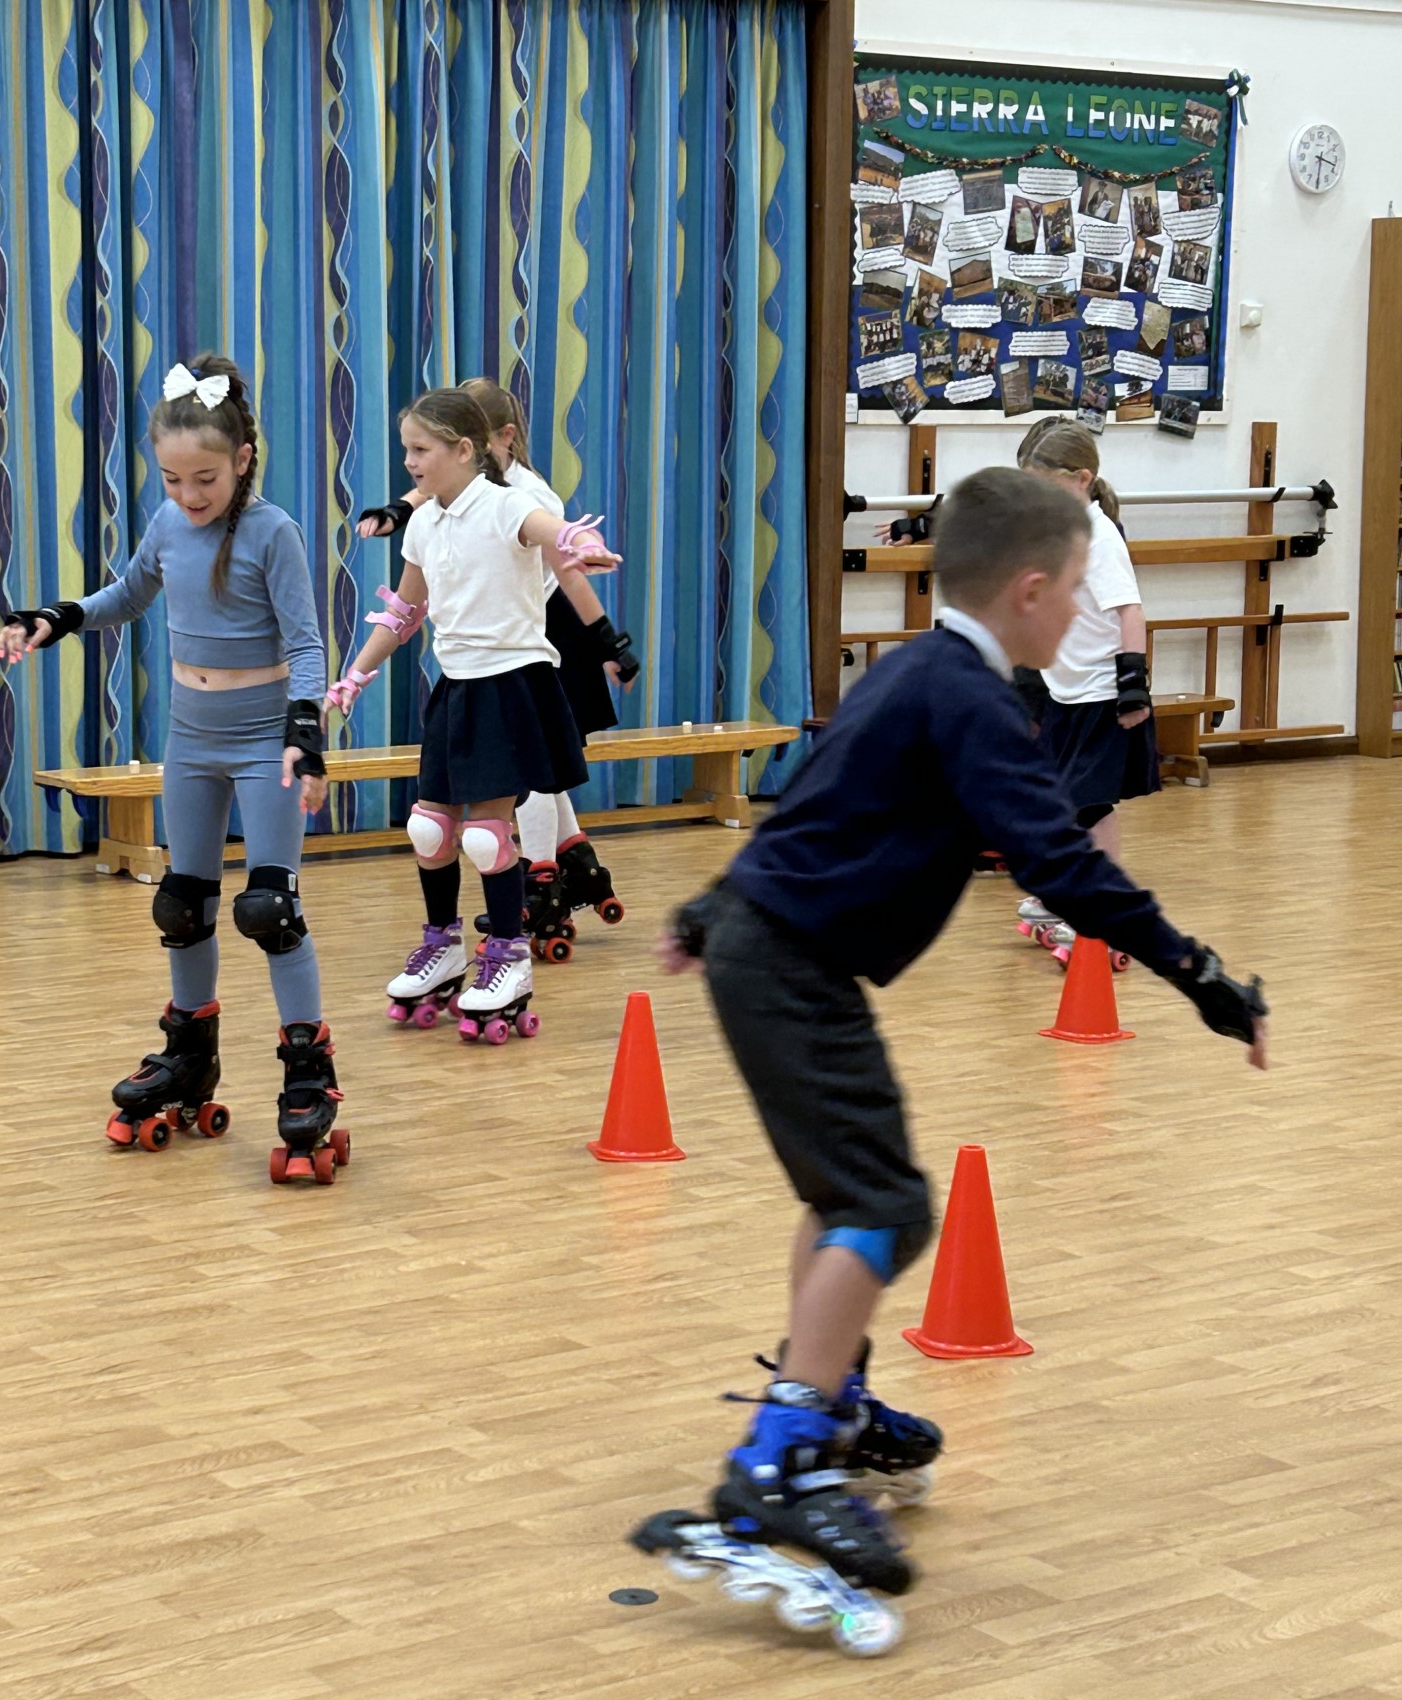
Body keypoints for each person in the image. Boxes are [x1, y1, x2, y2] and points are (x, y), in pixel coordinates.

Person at [638, 467, 1267, 1602]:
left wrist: (708, 903)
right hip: (787, 962)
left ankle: (825, 1395)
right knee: (885, 1205)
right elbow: (1063, 860)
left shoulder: (922, 670)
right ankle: (776, 1462)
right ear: (1029, 590)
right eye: (1076, 588)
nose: (1084, 610)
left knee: (848, 1194)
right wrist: (1199, 972)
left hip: (771, 948)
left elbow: (811, 792)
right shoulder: (974, 698)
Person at [0, 355, 346, 1181]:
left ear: (242, 461)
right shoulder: (166, 523)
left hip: (266, 740)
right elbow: (128, 594)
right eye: (174, 478)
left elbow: (305, 644)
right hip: (191, 737)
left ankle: (308, 1068)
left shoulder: (274, 532)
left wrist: (306, 732)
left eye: (206, 479)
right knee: (181, 904)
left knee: (269, 907)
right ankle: (189, 1050)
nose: (190, 495)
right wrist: (57, 617)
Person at [324, 389, 618, 1039]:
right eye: (406, 449)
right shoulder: (426, 524)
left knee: (487, 835)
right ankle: (442, 946)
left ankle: (509, 955)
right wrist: (356, 674)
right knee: (430, 830)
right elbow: (404, 613)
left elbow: (550, 534)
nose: (409, 462)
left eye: (420, 449)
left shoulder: (508, 504)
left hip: (513, 684)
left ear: (464, 450)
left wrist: (576, 539)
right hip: (456, 689)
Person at [458, 376, 639, 948]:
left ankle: (539, 882)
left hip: (535, 648)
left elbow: (567, 572)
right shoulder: (471, 492)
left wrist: (609, 643)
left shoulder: (530, 495)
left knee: (529, 771)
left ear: (504, 437)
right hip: (503, 645)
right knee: (541, 769)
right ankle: (578, 863)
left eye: (472, 440)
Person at [1013, 417, 1157, 960]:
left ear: (1081, 479)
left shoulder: (1100, 538)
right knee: (1060, 803)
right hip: (1066, 695)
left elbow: (1131, 610)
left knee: (1090, 806)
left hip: (1102, 696)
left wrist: (1132, 684)